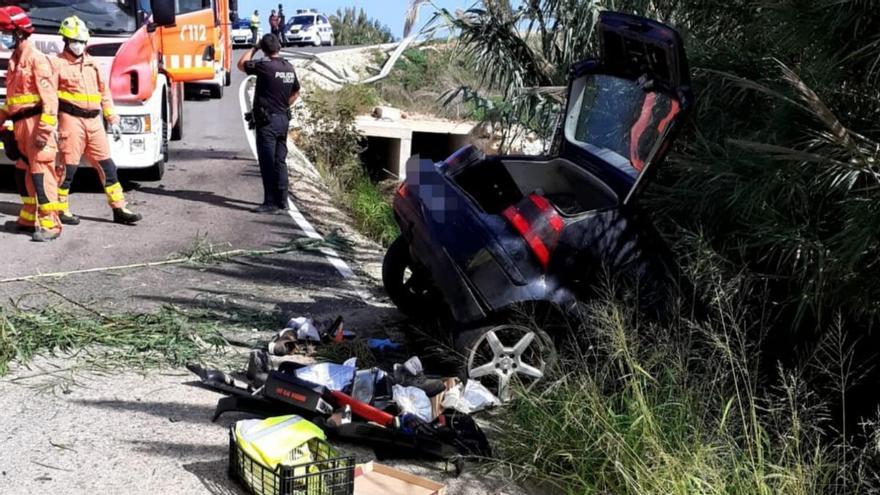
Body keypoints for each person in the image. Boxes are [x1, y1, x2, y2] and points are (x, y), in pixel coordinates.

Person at [54, 16, 142, 226]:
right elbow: (48, 96)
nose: (79, 45)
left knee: (108, 167)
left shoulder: (92, 64)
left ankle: (119, 207)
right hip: (70, 120)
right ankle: (60, 209)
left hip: (94, 123)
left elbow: (104, 94)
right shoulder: (56, 64)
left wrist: (113, 118)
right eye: (75, 41)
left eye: (82, 42)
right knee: (68, 169)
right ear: (66, 41)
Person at [0, 6, 62, 241]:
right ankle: (27, 219)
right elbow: (12, 102)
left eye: (4, 32)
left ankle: (51, 225)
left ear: (19, 33)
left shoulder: (37, 60)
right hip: (20, 127)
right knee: (22, 173)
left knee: (41, 173)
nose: (2, 37)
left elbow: (50, 101)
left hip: (36, 126)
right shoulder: (14, 61)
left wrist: (44, 131)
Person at [237, 34, 300, 213]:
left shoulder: (264, 66)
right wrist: (282, 105)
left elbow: (241, 64)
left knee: (267, 162)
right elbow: (296, 92)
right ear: (279, 47)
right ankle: (283, 202)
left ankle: (270, 203)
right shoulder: (289, 67)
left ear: (264, 50)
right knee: (280, 161)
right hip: (283, 119)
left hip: (268, 122)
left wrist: (254, 48)